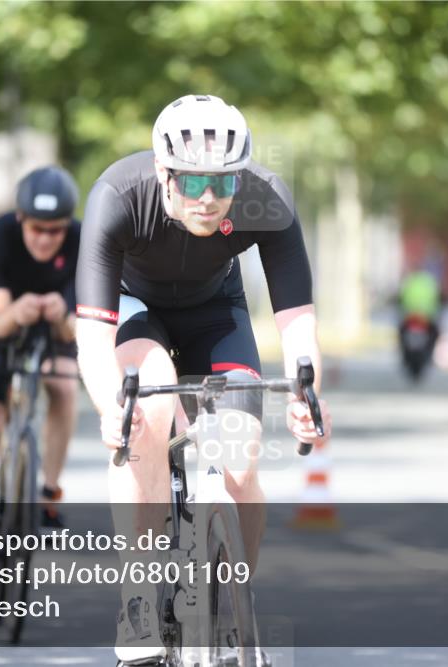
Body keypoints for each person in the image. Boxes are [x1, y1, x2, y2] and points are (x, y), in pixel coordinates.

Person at [75, 94, 333, 665]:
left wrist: (304, 391)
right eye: (193, 184)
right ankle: (139, 597)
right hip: (136, 310)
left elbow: (295, 317)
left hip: (217, 314)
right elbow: (93, 333)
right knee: (148, 411)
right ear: (164, 175)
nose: (210, 199)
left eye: (223, 183)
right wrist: (109, 408)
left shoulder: (266, 200)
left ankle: (234, 597)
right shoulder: (118, 196)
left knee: (240, 464)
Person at [0, 166, 81, 540]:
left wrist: (61, 316)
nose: (46, 240)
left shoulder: (83, 240)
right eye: (37, 229)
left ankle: (48, 491)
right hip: (1, 326)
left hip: (55, 325)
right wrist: (18, 311)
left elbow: (82, 327)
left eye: (55, 230)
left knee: (64, 389)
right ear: (21, 220)